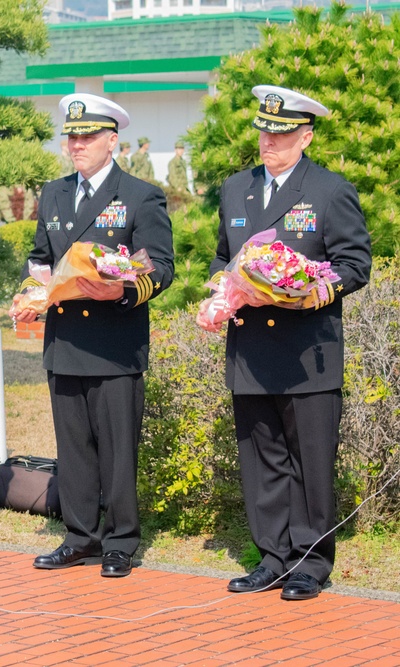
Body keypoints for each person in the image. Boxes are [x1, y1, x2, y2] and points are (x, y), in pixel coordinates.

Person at [197, 85, 371, 600]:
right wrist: (221, 296)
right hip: (251, 350)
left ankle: (311, 562)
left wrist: (309, 291)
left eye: (281, 133)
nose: (269, 142)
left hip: (305, 350)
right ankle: (271, 556)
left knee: (310, 460)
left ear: (306, 135)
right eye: (264, 132)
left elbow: (354, 264)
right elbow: (222, 258)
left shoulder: (329, 190)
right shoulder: (236, 189)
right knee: (263, 458)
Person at [10, 94, 174, 577]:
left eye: (86, 137)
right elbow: (41, 258)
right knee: (74, 447)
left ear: (112, 140)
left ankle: (120, 540)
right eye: (71, 137)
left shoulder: (141, 195)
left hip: (114, 343)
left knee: (118, 451)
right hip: (63, 344)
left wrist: (120, 290)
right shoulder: (56, 193)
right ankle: (81, 536)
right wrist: (30, 291)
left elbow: (161, 268)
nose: (76, 145)